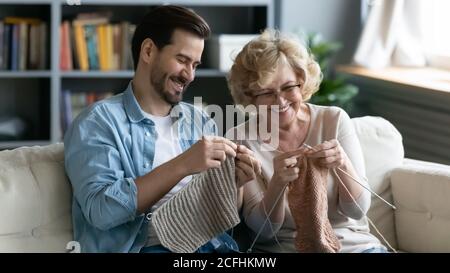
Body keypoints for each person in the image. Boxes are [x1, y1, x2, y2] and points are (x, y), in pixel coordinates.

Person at [64, 5, 258, 253]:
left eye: (196, 65)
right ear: (148, 51)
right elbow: (102, 211)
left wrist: (235, 184)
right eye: (182, 60)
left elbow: (220, 211)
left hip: (211, 247)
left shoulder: (199, 121)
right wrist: (183, 164)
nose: (189, 75)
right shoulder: (98, 122)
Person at [226, 29, 389, 253]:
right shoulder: (239, 139)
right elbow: (264, 231)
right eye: (266, 92)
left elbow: (357, 212)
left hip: (353, 248)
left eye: (288, 87)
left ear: (302, 82)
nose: (280, 101)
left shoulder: (334, 119)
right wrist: (277, 184)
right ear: (249, 96)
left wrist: (343, 164)